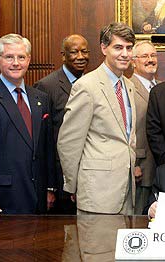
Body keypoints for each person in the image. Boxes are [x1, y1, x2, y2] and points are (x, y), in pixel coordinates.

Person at [0, 33, 55, 214]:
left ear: (28, 60)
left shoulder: (41, 98)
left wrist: (50, 188)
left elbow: (47, 149)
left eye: (21, 57)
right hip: (1, 200)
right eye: (9, 57)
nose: (16, 63)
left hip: (38, 198)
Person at [57, 23, 137, 215]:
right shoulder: (86, 86)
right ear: (104, 48)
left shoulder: (128, 85)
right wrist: (74, 185)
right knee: (96, 246)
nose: (125, 54)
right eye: (118, 47)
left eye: (129, 48)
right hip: (96, 192)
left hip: (126, 190)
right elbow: (69, 142)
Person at [34, 34, 90, 214]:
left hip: (89, 176)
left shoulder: (92, 84)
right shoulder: (46, 86)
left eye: (84, 51)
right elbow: (44, 140)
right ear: (63, 56)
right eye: (74, 52)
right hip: (59, 179)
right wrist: (50, 186)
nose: (80, 57)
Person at [130, 40, 159, 214]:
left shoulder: (164, 87)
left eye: (153, 55)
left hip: (163, 169)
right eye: (144, 56)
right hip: (140, 170)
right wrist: (132, 163)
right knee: (138, 222)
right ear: (133, 61)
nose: (150, 59)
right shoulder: (127, 87)